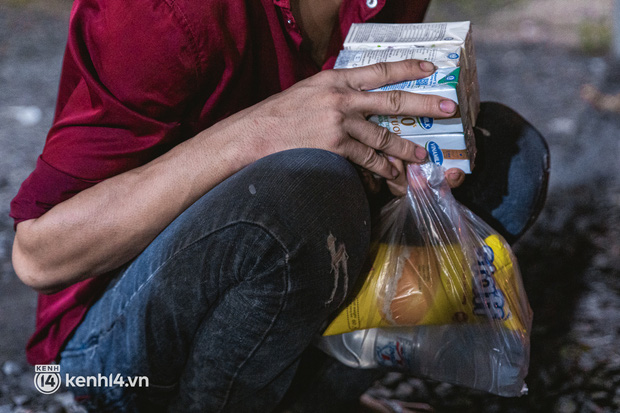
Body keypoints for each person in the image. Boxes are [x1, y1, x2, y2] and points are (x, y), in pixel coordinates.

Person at [10, 0, 468, 411]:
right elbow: (39, 256)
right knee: (306, 190)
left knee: (506, 158)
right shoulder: (161, 11)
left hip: (271, 286)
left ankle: (307, 395)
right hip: (107, 343)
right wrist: (259, 132)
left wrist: (399, 161)